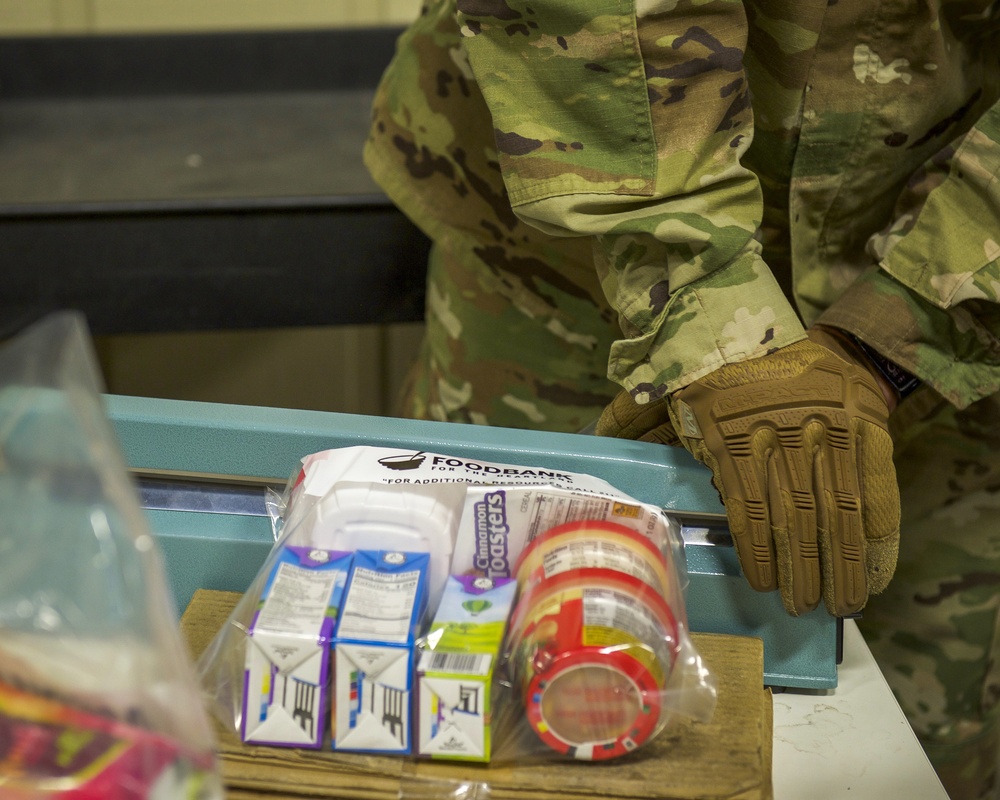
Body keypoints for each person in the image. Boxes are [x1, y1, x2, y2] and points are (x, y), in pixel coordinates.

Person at [363, 2, 1000, 796]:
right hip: (569, 279)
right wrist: (713, 315)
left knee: (897, 745)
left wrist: (898, 336)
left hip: (944, 305)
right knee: (485, 706)